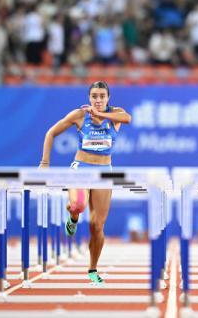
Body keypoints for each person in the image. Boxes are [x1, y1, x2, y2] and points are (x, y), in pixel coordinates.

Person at [39, 81, 131, 283]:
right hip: (80, 169)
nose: (98, 100)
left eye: (102, 96)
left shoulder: (116, 114)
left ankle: (92, 269)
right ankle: (72, 217)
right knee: (78, 205)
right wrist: (44, 163)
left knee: (97, 226)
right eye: (94, 96)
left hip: (104, 172)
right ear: (89, 98)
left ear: (108, 98)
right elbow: (50, 133)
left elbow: (128, 118)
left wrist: (101, 114)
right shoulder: (80, 115)